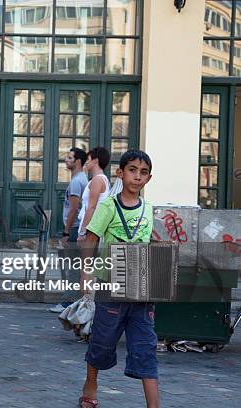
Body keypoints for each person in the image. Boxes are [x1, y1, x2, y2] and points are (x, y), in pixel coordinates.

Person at [78, 150, 159, 408]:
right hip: (110, 286)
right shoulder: (108, 206)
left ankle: (154, 404)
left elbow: (147, 242)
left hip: (140, 289)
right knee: (102, 342)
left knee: (146, 346)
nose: (137, 176)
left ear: (149, 177)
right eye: (132, 170)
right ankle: (91, 383)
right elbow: (91, 239)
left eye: (143, 172)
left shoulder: (148, 208)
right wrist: (86, 274)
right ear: (120, 173)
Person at [49, 147, 88, 313]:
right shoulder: (82, 179)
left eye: (70, 157)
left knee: (73, 267)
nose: (66, 160)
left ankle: (68, 304)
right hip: (76, 228)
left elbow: (73, 209)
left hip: (73, 229)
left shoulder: (76, 182)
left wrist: (66, 232)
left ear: (78, 161)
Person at [77, 147, 111, 240]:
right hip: (94, 226)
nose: (86, 162)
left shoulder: (97, 179)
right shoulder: (101, 179)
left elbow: (91, 207)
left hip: (91, 228)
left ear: (96, 161)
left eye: (88, 159)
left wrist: (82, 232)